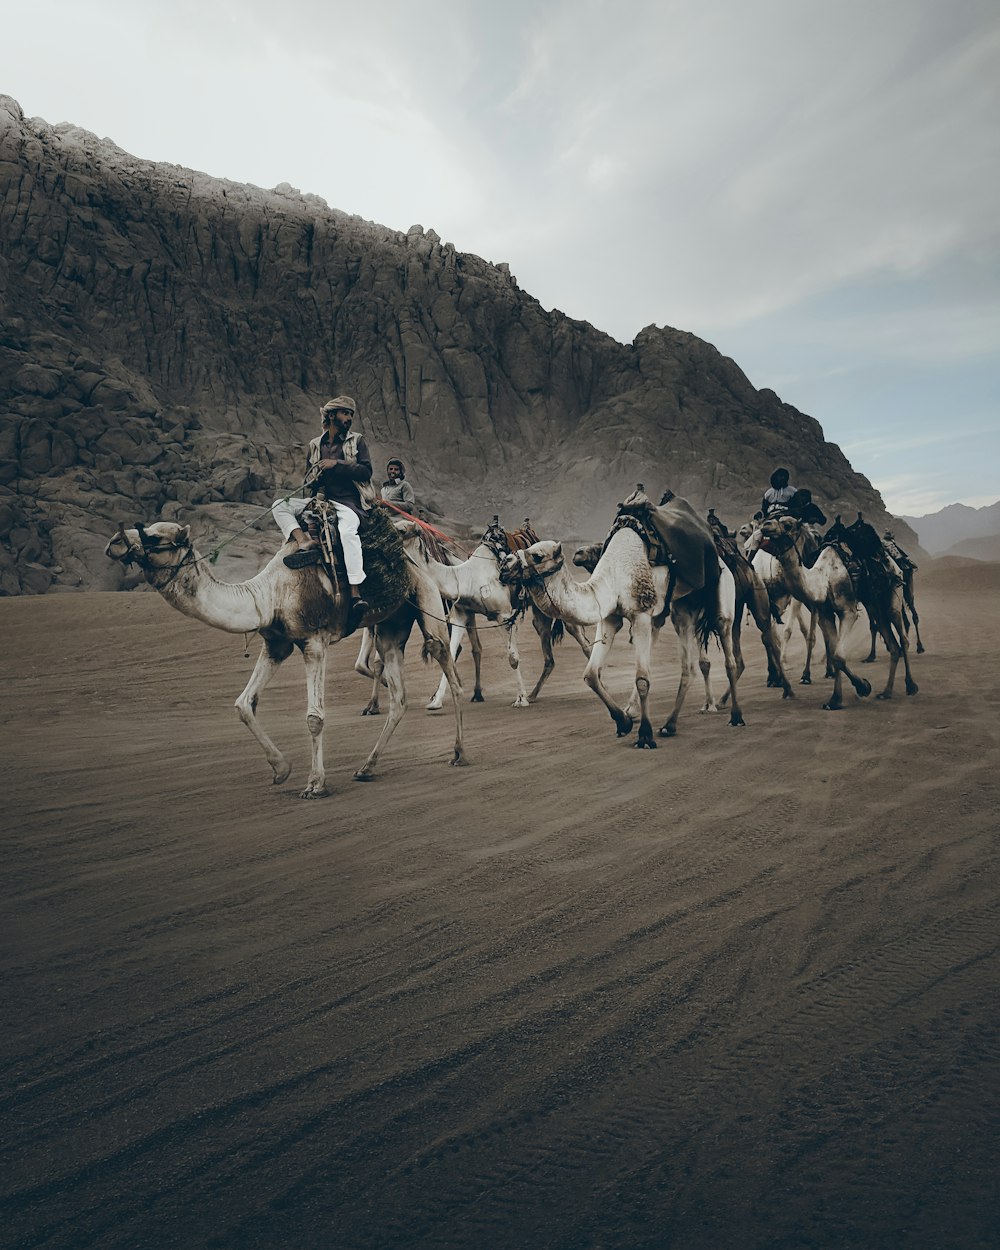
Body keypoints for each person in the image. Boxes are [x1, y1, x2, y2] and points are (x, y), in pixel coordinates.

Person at [271, 396, 375, 630]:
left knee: (348, 532)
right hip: (322, 500)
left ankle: (356, 593)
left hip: (348, 502)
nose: (349, 419)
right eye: (344, 413)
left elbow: (366, 471)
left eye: (351, 415)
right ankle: (304, 542)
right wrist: (315, 477)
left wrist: (336, 465)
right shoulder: (315, 445)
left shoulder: (356, 442)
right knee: (280, 505)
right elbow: (309, 481)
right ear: (331, 416)